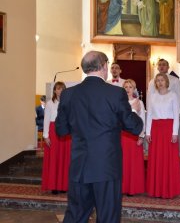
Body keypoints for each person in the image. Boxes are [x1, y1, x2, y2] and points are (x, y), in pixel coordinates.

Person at [55, 51, 143, 223]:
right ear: (104, 66)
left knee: (75, 216)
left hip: (79, 167)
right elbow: (134, 126)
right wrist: (134, 110)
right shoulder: (115, 93)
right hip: (106, 168)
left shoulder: (68, 94)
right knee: (108, 217)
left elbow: (61, 130)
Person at [146, 73, 180, 199]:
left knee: (168, 159)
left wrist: (175, 133)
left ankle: (169, 190)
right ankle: (156, 190)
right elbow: (149, 115)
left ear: (166, 82)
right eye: (158, 80)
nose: (160, 82)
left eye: (162, 80)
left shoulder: (173, 95)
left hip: (168, 129)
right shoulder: (152, 96)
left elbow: (176, 115)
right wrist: (148, 132)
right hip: (156, 129)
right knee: (156, 159)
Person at [41, 82, 71, 194]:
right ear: (54, 90)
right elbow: (46, 120)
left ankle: (63, 185)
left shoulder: (68, 103)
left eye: (62, 89)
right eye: (58, 89)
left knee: (64, 159)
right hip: (53, 132)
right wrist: (46, 135)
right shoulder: (50, 103)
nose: (60, 91)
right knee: (54, 159)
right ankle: (54, 185)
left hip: (65, 133)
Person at [122, 79, 146, 196]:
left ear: (134, 89)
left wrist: (141, 136)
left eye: (130, 87)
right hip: (121, 137)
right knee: (122, 162)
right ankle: (121, 187)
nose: (127, 89)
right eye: (125, 87)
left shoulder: (139, 102)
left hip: (133, 136)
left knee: (132, 163)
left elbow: (142, 120)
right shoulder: (120, 102)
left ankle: (132, 188)